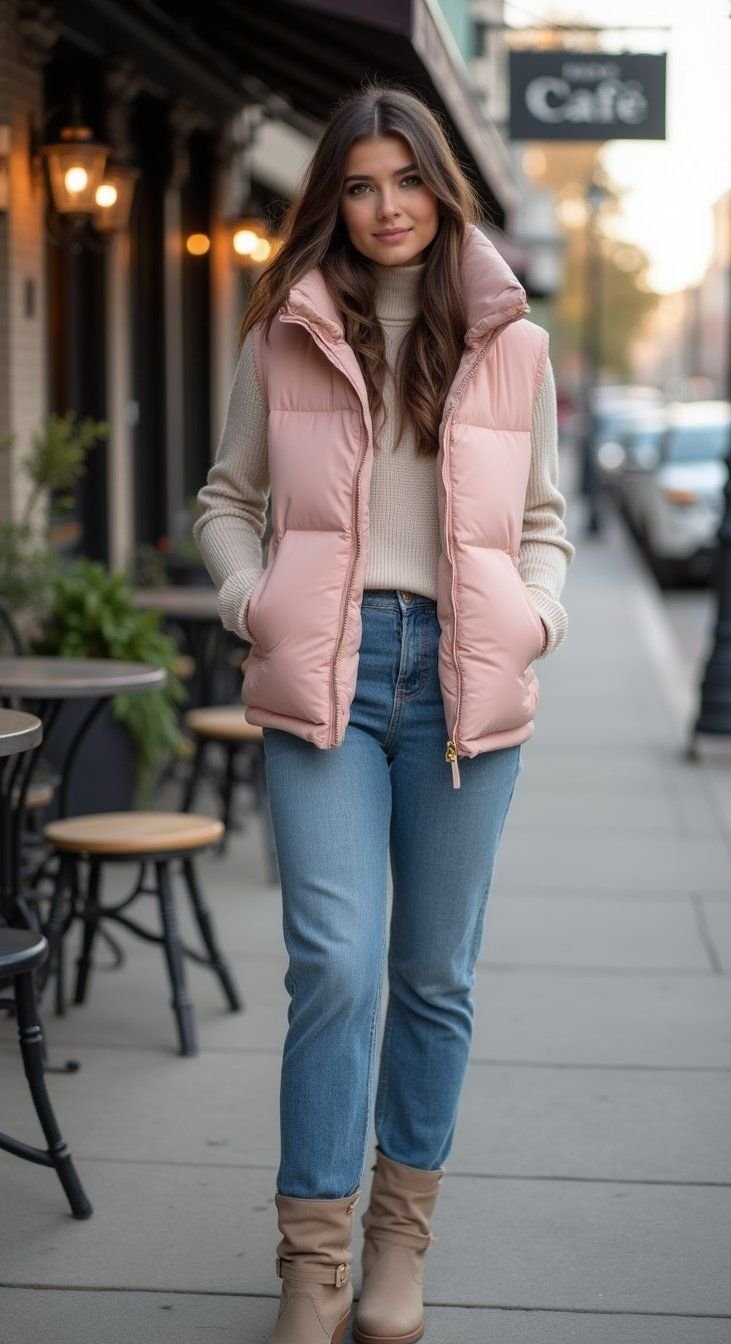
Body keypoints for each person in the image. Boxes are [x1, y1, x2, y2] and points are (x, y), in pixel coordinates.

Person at [195, 82, 574, 1344]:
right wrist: (255, 603)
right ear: (333, 199)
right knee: (336, 966)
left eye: (403, 181)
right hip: (332, 683)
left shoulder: (512, 346)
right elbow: (223, 498)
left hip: (467, 679)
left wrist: (537, 618)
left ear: (439, 186)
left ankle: (399, 1242)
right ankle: (314, 1260)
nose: (385, 208)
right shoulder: (287, 332)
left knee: (432, 977)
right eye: (358, 185)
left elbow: (543, 526)